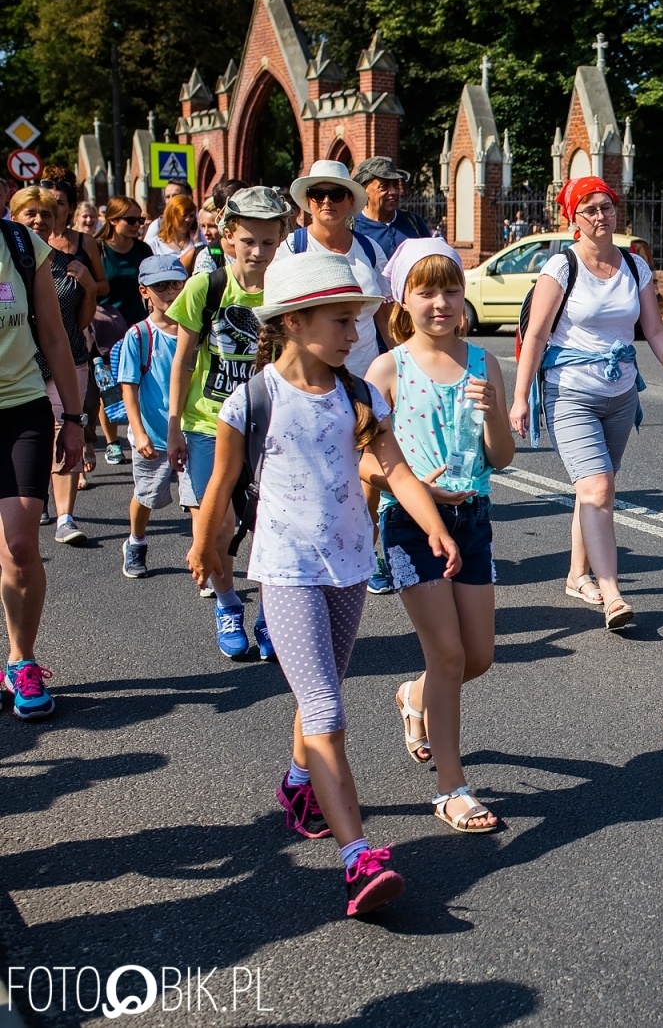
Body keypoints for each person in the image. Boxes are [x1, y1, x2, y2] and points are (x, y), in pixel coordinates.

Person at [186, 250, 460, 917]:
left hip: (348, 566)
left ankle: (298, 783)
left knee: (321, 695)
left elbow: (393, 468)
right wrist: (204, 544)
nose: (352, 334)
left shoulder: (356, 394)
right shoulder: (254, 399)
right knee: (330, 710)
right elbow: (220, 484)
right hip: (285, 571)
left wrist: (433, 526)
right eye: (341, 322)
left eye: (355, 322)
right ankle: (356, 857)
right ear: (295, 321)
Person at [364, 238, 513, 832]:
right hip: (410, 528)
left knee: (477, 656)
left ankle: (413, 696)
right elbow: (364, 461)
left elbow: (499, 457)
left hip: (473, 520)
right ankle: (452, 788)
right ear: (404, 299)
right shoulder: (387, 369)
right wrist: (408, 485)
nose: (441, 302)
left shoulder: (485, 363)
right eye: (426, 291)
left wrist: (495, 409)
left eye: (450, 288)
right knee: (448, 654)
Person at [508, 176, 663, 630]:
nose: (600, 215)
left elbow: (654, 329)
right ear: (574, 218)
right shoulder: (561, 267)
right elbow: (536, 334)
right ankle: (612, 593)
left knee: (595, 488)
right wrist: (519, 398)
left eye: (606, 207)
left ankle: (577, 575)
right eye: (589, 208)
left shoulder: (635, 266)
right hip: (569, 391)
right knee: (597, 489)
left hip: (621, 394)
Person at [168, 185, 291, 660]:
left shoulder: (287, 290)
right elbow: (182, 359)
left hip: (269, 426)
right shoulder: (207, 286)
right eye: (248, 241)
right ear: (227, 237)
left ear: (282, 237)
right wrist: (174, 424)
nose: (258, 252)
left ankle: (269, 618)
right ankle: (226, 604)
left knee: (270, 529)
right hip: (207, 422)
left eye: (268, 242)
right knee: (217, 530)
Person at [0, 207, 86, 721]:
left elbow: (54, 335)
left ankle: (20, 660)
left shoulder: (21, 243)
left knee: (20, 541)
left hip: (21, 407)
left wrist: (73, 418)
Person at [10, 187, 96, 544]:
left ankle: (65, 516)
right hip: (20, 367)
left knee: (66, 431)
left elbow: (79, 321)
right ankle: (35, 496)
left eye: (46, 214)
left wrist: (89, 288)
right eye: (30, 213)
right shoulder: (5, 258)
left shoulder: (66, 263)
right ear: (13, 217)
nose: (38, 220)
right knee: (33, 435)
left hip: (67, 359)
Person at [278, 161, 390, 379]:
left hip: (365, 377)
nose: (327, 201)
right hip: (310, 378)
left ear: (350, 201)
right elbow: (280, 321)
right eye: (318, 194)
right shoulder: (292, 249)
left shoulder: (370, 250)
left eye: (337, 194)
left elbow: (386, 319)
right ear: (309, 201)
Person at [117, 255, 186, 579]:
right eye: (161, 286)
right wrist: (138, 432)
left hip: (192, 434)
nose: (170, 292)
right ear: (144, 291)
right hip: (153, 437)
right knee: (146, 496)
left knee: (200, 501)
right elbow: (128, 387)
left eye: (176, 283)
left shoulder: (194, 330)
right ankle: (136, 540)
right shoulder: (139, 335)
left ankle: (207, 563)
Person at [96, 197, 154, 467]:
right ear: (113, 221)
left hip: (137, 325)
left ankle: (139, 433)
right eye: (131, 220)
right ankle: (111, 442)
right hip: (105, 329)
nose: (137, 225)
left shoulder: (142, 249)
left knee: (137, 382)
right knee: (109, 387)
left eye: (140, 220)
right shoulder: (98, 249)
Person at [351, 157, 429, 257]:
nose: (394, 192)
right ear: (364, 190)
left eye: (396, 185)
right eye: (384, 186)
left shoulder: (414, 222)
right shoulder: (352, 228)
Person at [193, 179, 246, 276]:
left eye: (246, 208)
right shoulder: (208, 257)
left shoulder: (266, 248)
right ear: (221, 213)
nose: (242, 215)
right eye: (234, 210)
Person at [142, 180, 196, 249]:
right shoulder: (157, 225)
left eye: (175, 196)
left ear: (189, 197)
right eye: (167, 197)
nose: (171, 200)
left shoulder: (200, 222)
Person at [151, 196, 198, 260]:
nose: (188, 219)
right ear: (171, 216)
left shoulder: (196, 241)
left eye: (191, 216)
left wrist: (197, 243)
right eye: (184, 215)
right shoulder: (155, 245)